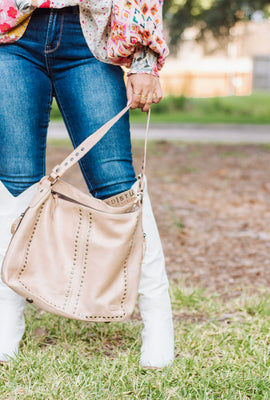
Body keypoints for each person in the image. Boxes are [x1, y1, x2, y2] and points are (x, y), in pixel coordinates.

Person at [0, 0, 174, 368]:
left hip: (90, 36)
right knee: (14, 184)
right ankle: (5, 326)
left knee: (117, 184)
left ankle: (158, 322)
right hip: (11, 35)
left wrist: (143, 59)